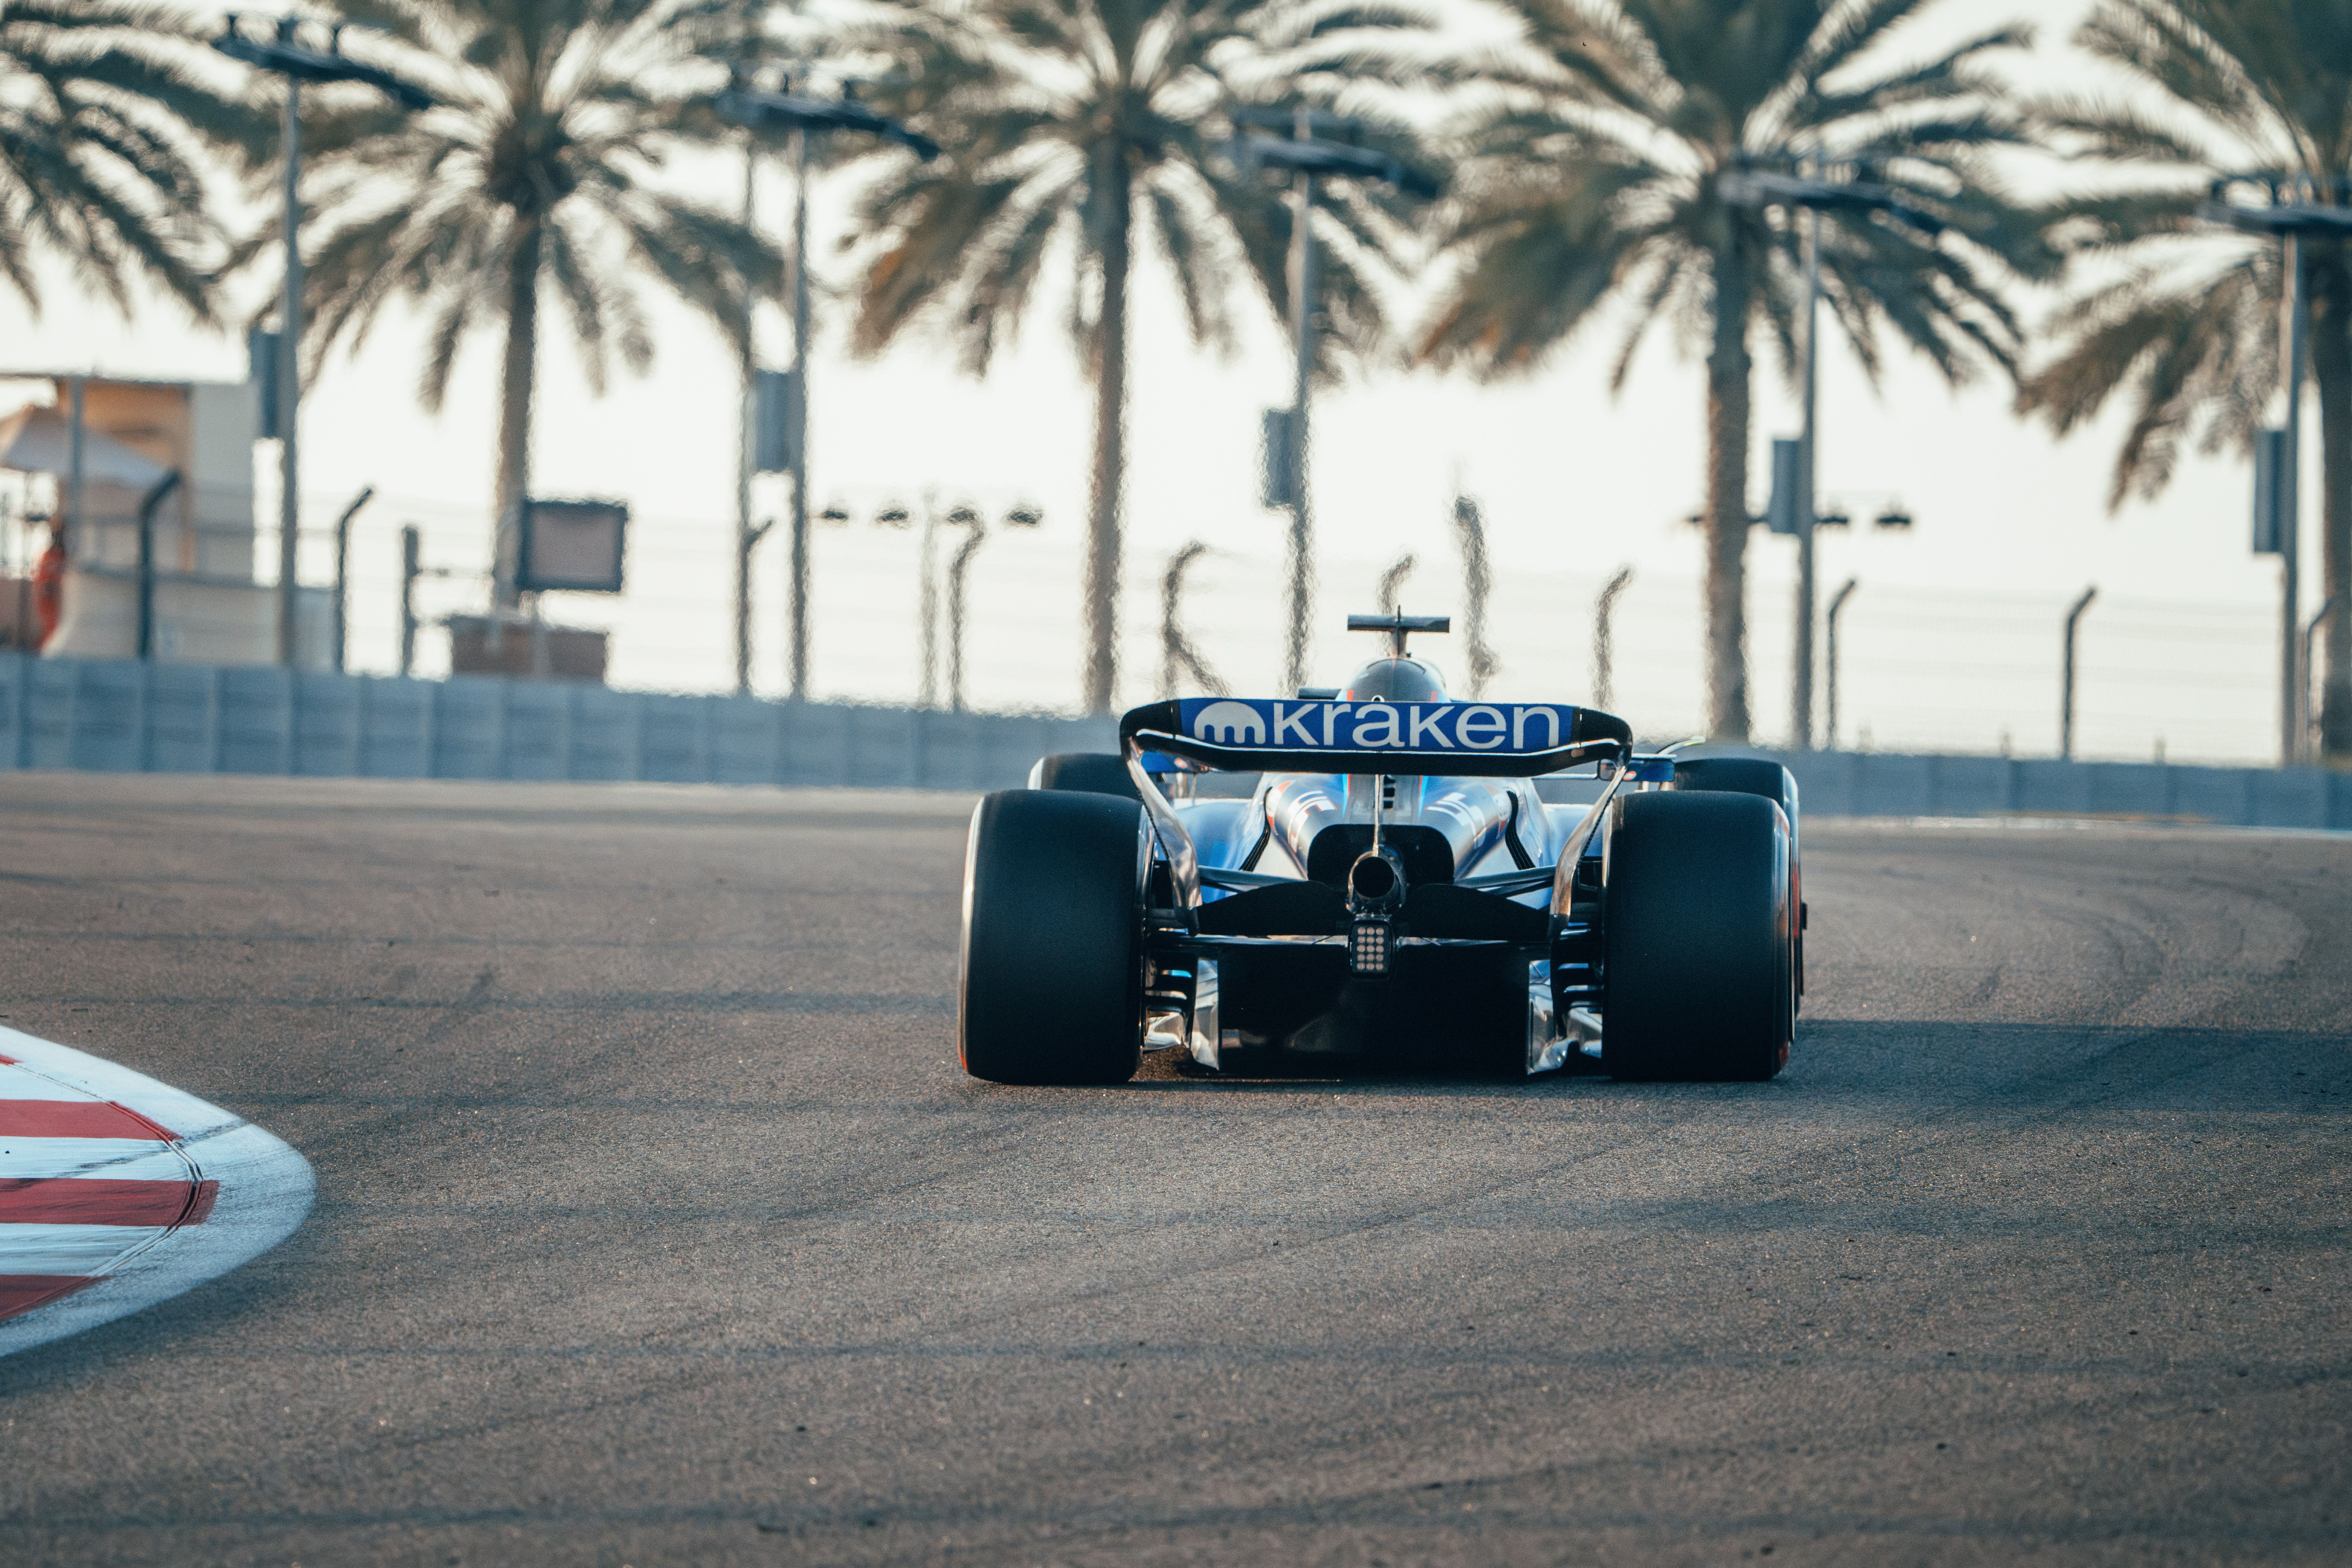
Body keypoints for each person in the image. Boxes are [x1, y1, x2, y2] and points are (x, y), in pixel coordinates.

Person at [32, 520, 64, 650]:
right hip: (47, 598)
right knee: (52, 630)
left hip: (55, 599)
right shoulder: (49, 556)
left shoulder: (60, 557)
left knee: (53, 630)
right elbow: (45, 584)